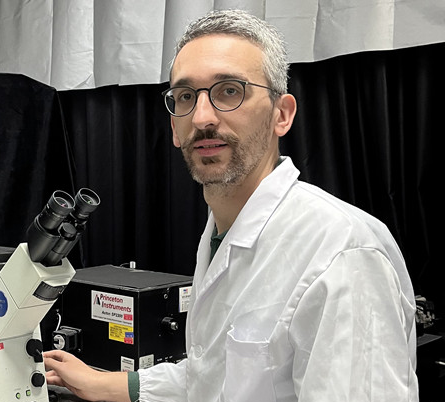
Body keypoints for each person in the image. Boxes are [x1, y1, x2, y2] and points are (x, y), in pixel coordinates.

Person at [43, 9, 419, 402]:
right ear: (174, 129)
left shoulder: (342, 252)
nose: (202, 117)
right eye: (186, 97)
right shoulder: (221, 234)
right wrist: (101, 383)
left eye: (229, 91)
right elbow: (211, 374)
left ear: (281, 115)